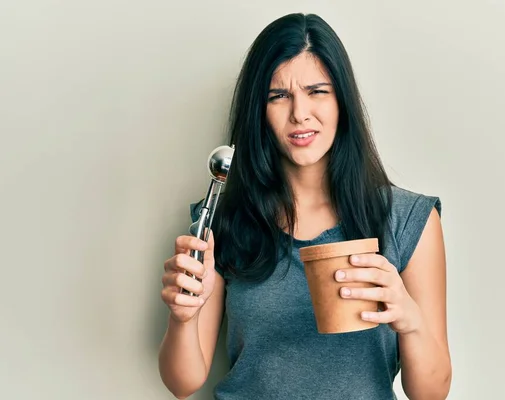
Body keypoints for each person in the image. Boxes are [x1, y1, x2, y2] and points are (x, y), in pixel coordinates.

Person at [158, 12, 451, 400]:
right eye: (278, 96)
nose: (299, 113)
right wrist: (182, 318)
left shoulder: (408, 220)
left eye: (317, 91)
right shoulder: (223, 219)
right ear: (258, 111)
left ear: (341, 101)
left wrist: (409, 318)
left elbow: (431, 393)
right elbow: (183, 382)